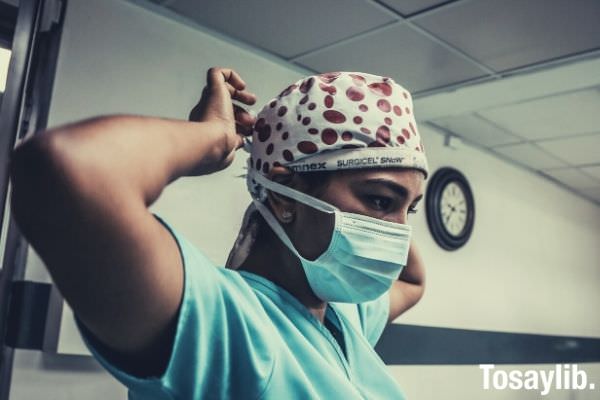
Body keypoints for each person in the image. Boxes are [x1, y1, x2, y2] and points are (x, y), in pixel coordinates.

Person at [9, 67, 428, 399]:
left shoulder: (344, 316)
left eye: (410, 209)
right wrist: (213, 138)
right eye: (378, 200)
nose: (398, 235)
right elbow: (70, 167)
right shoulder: (224, 324)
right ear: (286, 199)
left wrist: (396, 194)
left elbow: (413, 281)